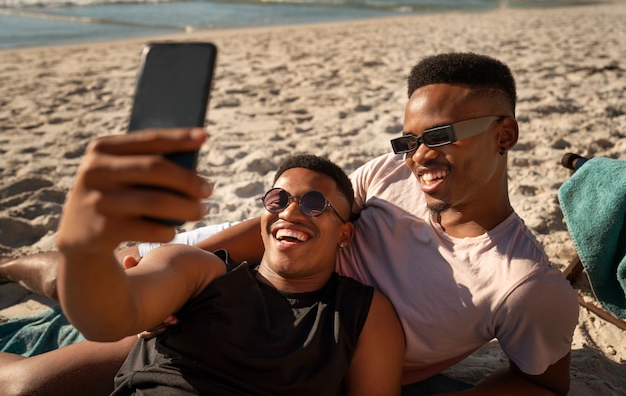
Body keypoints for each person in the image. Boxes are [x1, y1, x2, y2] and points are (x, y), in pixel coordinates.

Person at [1, 52, 579, 395]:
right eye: (408, 140)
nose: (418, 155)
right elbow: (295, 214)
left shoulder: (524, 284)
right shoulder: (388, 174)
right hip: (255, 271)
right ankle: (9, 263)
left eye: (441, 137)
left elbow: (543, 384)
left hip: (319, 342)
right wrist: (205, 264)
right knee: (82, 287)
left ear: (505, 134)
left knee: (39, 377)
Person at [4, 131, 406, 395]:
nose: (290, 212)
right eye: (277, 200)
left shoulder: (362, 312)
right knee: (26, 382)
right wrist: (85, 247)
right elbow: (111, 315)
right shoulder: (201, 271)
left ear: (344, 234)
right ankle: (8, 264)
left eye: (315, 204)